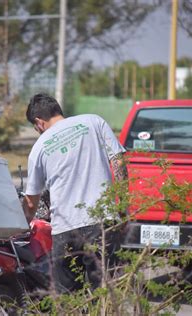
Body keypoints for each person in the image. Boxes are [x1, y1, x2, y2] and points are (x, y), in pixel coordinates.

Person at [22, 93, 128, 292]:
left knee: (70, 299)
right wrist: (123, 206)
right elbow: (118, 162)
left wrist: (20, 226)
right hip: (102, 222)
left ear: (38, 122)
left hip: (65, 231)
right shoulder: (94, 121)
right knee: (106, 294)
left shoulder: (39, 148)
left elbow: (30, 203)